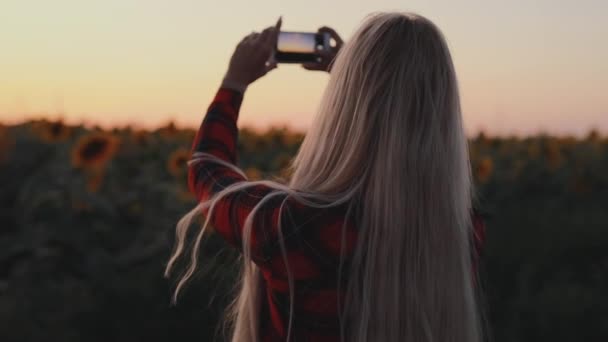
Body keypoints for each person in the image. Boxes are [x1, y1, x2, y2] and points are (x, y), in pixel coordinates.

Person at [165, 12, 487, 342]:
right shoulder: (460, 235)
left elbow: (208, 172)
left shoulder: (297, 227)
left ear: (345, 101)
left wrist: (234, 83)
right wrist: (357, 77)